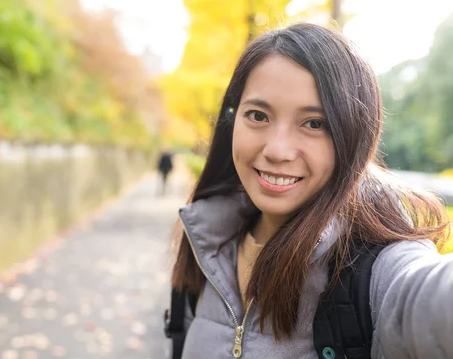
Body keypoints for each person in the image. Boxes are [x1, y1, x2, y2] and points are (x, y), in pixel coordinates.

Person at [168, 23, 453, 358]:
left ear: (354, 136)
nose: (277, 150)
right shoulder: (209, 239)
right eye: (258, 115)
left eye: (315, 123)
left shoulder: (375, 270)